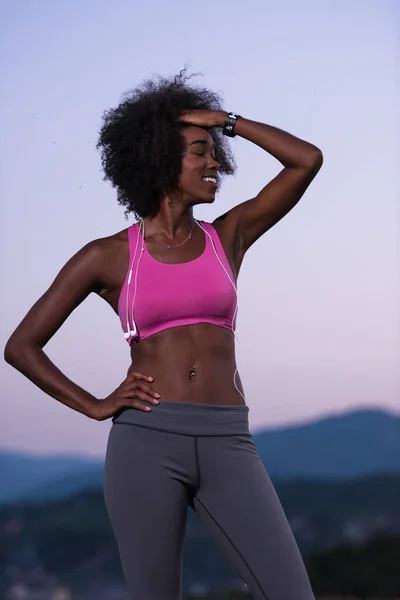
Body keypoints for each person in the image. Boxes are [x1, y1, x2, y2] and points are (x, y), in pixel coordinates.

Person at [4, 72, 323, 599]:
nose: (214, 162)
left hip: (228, 439)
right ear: (158, 159)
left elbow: (306, 160)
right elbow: (21, 346)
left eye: (213, 150)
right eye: (200, 151)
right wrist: (94, 404)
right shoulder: (107, 256)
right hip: (146, 443)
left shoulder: (229, 237)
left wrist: (225, 122)